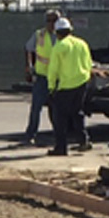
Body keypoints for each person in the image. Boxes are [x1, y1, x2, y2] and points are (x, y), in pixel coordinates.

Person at [45, 18, 94, 156]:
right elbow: (89, 63)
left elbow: (53, 70)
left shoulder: (59, 47)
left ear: (57, 33)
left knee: (59, 117)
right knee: (77, 112)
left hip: (65, 86)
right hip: (82, 83)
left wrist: (51, 87)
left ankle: (61, 148)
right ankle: (83, 141)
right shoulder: (82, 43)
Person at [22, 9, 61, 146]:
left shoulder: (63, 36)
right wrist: (29, 67)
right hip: (42, 77)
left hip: (58, 79)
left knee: (56, 110)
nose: (51, 23)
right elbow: (28, 48)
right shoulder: (40, 35)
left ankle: (59, 136)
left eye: (54, 20)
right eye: (49, 20)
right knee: (36, 108)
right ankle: (30, 135)